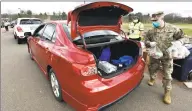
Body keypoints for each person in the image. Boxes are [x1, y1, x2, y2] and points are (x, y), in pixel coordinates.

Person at [144, 11, 192, 104]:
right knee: (152, 68)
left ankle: (167, 92)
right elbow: (146, 40)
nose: (154, 22)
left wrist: (179, 42)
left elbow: (184, 38)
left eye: (156, 20)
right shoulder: (151, 31)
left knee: (167, 75)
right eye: (152, 21)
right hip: (156, 55)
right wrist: (149, 43)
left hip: (168, 56)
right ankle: (152, 78)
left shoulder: (172, 28)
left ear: (161, 18)